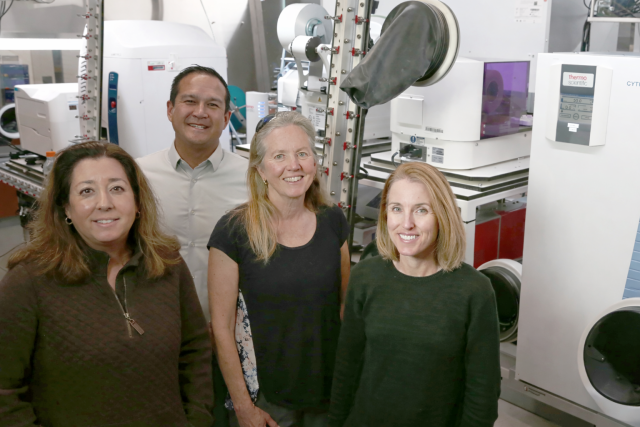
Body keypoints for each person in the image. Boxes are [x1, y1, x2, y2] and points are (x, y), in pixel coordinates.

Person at [0, 141, 213, 427]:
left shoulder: (167, 265)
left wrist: (196, 420)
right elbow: (5, 392)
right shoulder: (29, 281)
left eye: (117, 188)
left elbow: (195, 352)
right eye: (87, 191)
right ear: (66, 207)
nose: (104, 203)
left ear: (137, 202)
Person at [328, 162, 501, 427]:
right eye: (397, 209)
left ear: (442, 215)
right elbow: (347, 367)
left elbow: (483, 395)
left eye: (421, 210)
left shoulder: (474, 291)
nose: (406, 224)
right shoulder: (365, 276)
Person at [208, 112, 351, 427]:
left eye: (302, 153)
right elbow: (221, 328)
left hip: (328, 395)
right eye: (279, 156)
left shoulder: (333, 221)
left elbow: (344, 306)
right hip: (268, 401)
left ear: (314, 162)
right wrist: (245, 409)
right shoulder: (234, 231)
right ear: (260, 169)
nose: (294, 165)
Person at [137, 66, 248, 426]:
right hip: (157, 340)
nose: (200, 112)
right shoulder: (136, 177)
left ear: (227, 117)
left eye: (213, 105)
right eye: (190, 101)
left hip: (228, 342)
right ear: (170, 109)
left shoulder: (254, 181)